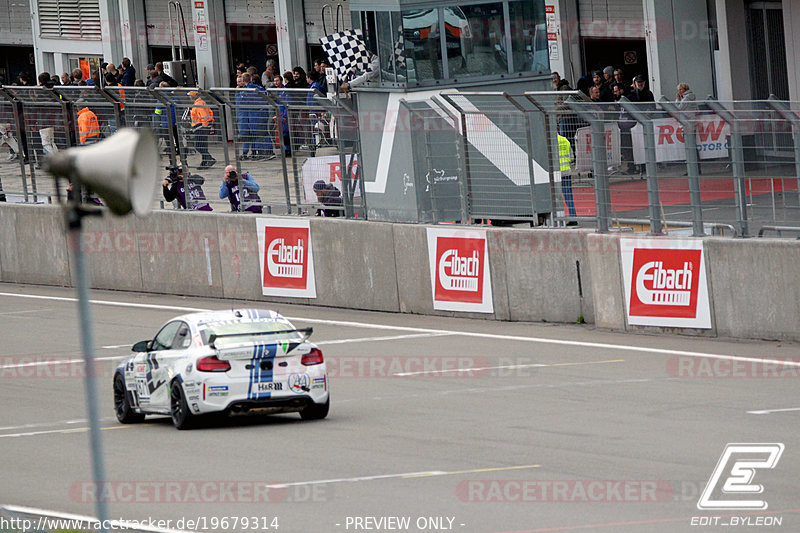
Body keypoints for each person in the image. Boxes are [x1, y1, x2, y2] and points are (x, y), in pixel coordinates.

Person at [189, 90, 216, 168]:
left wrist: (204, 126)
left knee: (198, 145)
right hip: (202, 127)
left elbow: (204, 117)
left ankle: (209, 158)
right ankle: (204, 162)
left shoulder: (199, 104)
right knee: (203, 145)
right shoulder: (200, 103)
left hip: (200, 127)